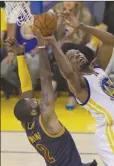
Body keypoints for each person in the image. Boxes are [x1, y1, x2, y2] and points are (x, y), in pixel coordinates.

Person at [43, 16, 114, 165]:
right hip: (109, 133)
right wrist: (54, 43)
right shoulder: (79, 85)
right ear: (69, 64)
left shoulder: (97, 68)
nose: (78, 55)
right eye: (72, 56)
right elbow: (67, 73)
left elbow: (110, 40)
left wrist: (81, 26)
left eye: (78, 53)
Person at [5, 32, 97, 166]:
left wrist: (20, 56)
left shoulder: (26, 124)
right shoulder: (46, 116)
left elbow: (26, 88)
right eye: (31, 102)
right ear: (32, 112)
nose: (32, 99)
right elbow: (46, 78)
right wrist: (42, 47)